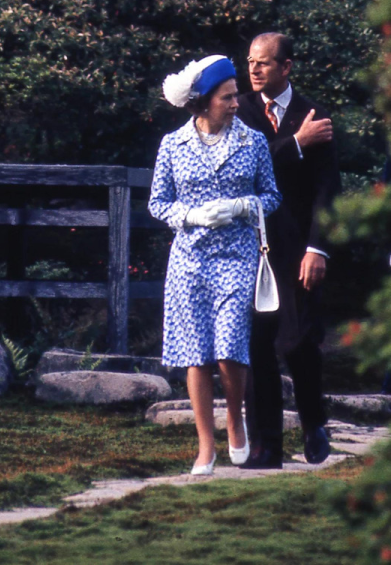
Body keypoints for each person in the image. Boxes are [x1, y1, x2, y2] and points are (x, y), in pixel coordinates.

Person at [149, 54, 281, 475]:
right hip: (190, 260)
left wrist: (244, 206)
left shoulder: (253, 141)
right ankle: (206, 445)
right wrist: (189, 215)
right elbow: (158, 203)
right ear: (203, 102)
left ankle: (235, 420)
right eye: (227, 97)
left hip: (238, 256)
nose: (236, 103)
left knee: (229, 347)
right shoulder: (173, 144)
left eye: (234, 96)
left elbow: (272, 196)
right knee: (196, 354)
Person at [236, 32, 341, 468]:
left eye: (263, 62)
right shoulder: (238, 110)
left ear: (286, 67)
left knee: (298, 342)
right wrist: (297, 143)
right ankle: (266, 447)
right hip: (252, 245)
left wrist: (318, 248)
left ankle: (314, 420)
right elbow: (247, 165)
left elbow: (327, 190)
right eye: (250, 62)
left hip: (299, 245)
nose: (255, 69)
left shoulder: (314, 115)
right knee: (258, 344)